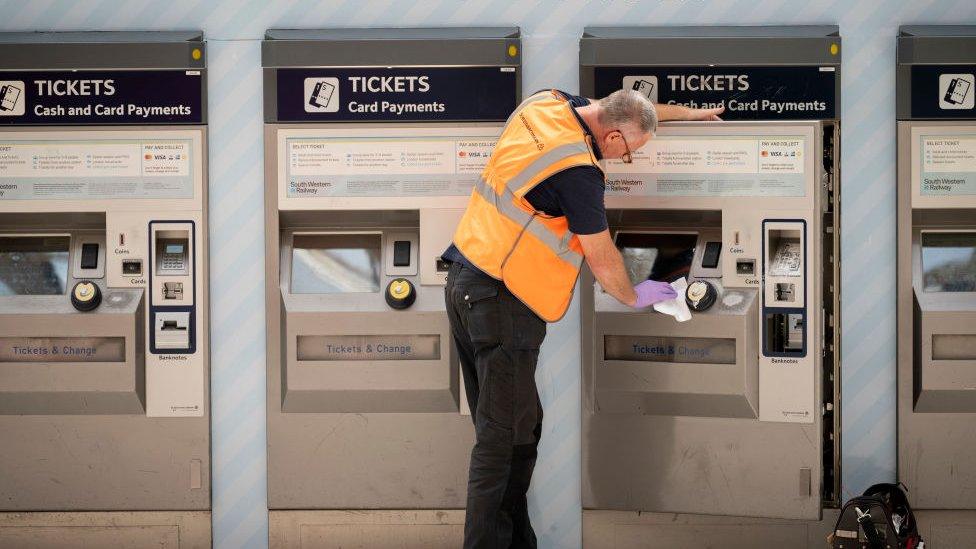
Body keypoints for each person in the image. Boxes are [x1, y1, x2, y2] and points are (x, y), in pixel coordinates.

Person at [442, 88, 723, 548]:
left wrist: (690, 113)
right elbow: (601, 254)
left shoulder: (548, 105)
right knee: (500, 442)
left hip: (466, 280)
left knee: (518, 429)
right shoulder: (578, 173)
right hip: (502, 300)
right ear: (611, 136)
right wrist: (638, 293)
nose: (623, 160)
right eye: (629, 153)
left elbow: (634, 109)